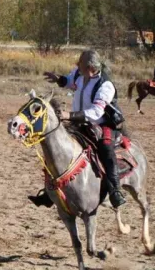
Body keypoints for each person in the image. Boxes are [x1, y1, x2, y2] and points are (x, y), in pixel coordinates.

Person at [42, 49, 128, 208]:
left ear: (89, 67)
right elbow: (70, 81)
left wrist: (69, 115)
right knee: (55, 144)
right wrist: (59, 79)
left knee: (106, 149)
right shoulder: (79, 74)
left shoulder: (105, 85)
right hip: (77, 123)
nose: (77, 64)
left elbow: (96, 113)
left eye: (80, 62)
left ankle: (115, 190)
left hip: (101, 124)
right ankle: (50, 189)